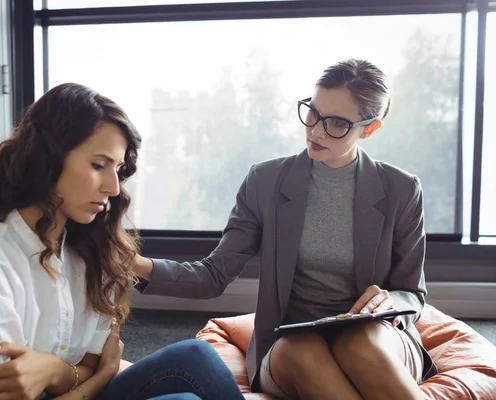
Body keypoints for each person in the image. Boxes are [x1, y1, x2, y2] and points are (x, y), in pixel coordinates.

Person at [0, 83, 245, 400]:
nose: (114, 188)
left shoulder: (89, 249)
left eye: (117, 169)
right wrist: (101, 375)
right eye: (99, 165)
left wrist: (55, 372)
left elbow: (88, 363)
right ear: (48, 158)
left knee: (196, 356)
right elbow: (96, 369)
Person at [132, 59, 438, 400]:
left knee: (359, 344)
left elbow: (412, 293)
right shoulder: (265, 181)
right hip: (291, 341)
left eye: (337, 123)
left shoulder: (401, 188)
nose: (316, 130)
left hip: (376, 336)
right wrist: (135, 265)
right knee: (302, 350)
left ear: (369, 128)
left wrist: (389, 301)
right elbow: (213, 275)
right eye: (312, 112)